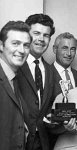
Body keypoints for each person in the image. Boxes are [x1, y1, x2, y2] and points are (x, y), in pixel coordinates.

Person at [17, 13, 57, 150]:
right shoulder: (13, 64)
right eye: (36, 33)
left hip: (42, 142)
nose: (41, 39)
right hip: (16, 140)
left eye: (46, 35)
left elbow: (48, 104)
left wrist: (52, 117)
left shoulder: (51, 70)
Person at [0, 21, 31, 150]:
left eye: (26, 45)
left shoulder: (15, 78)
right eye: (15, 44)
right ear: (1, 45)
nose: (22, 50)